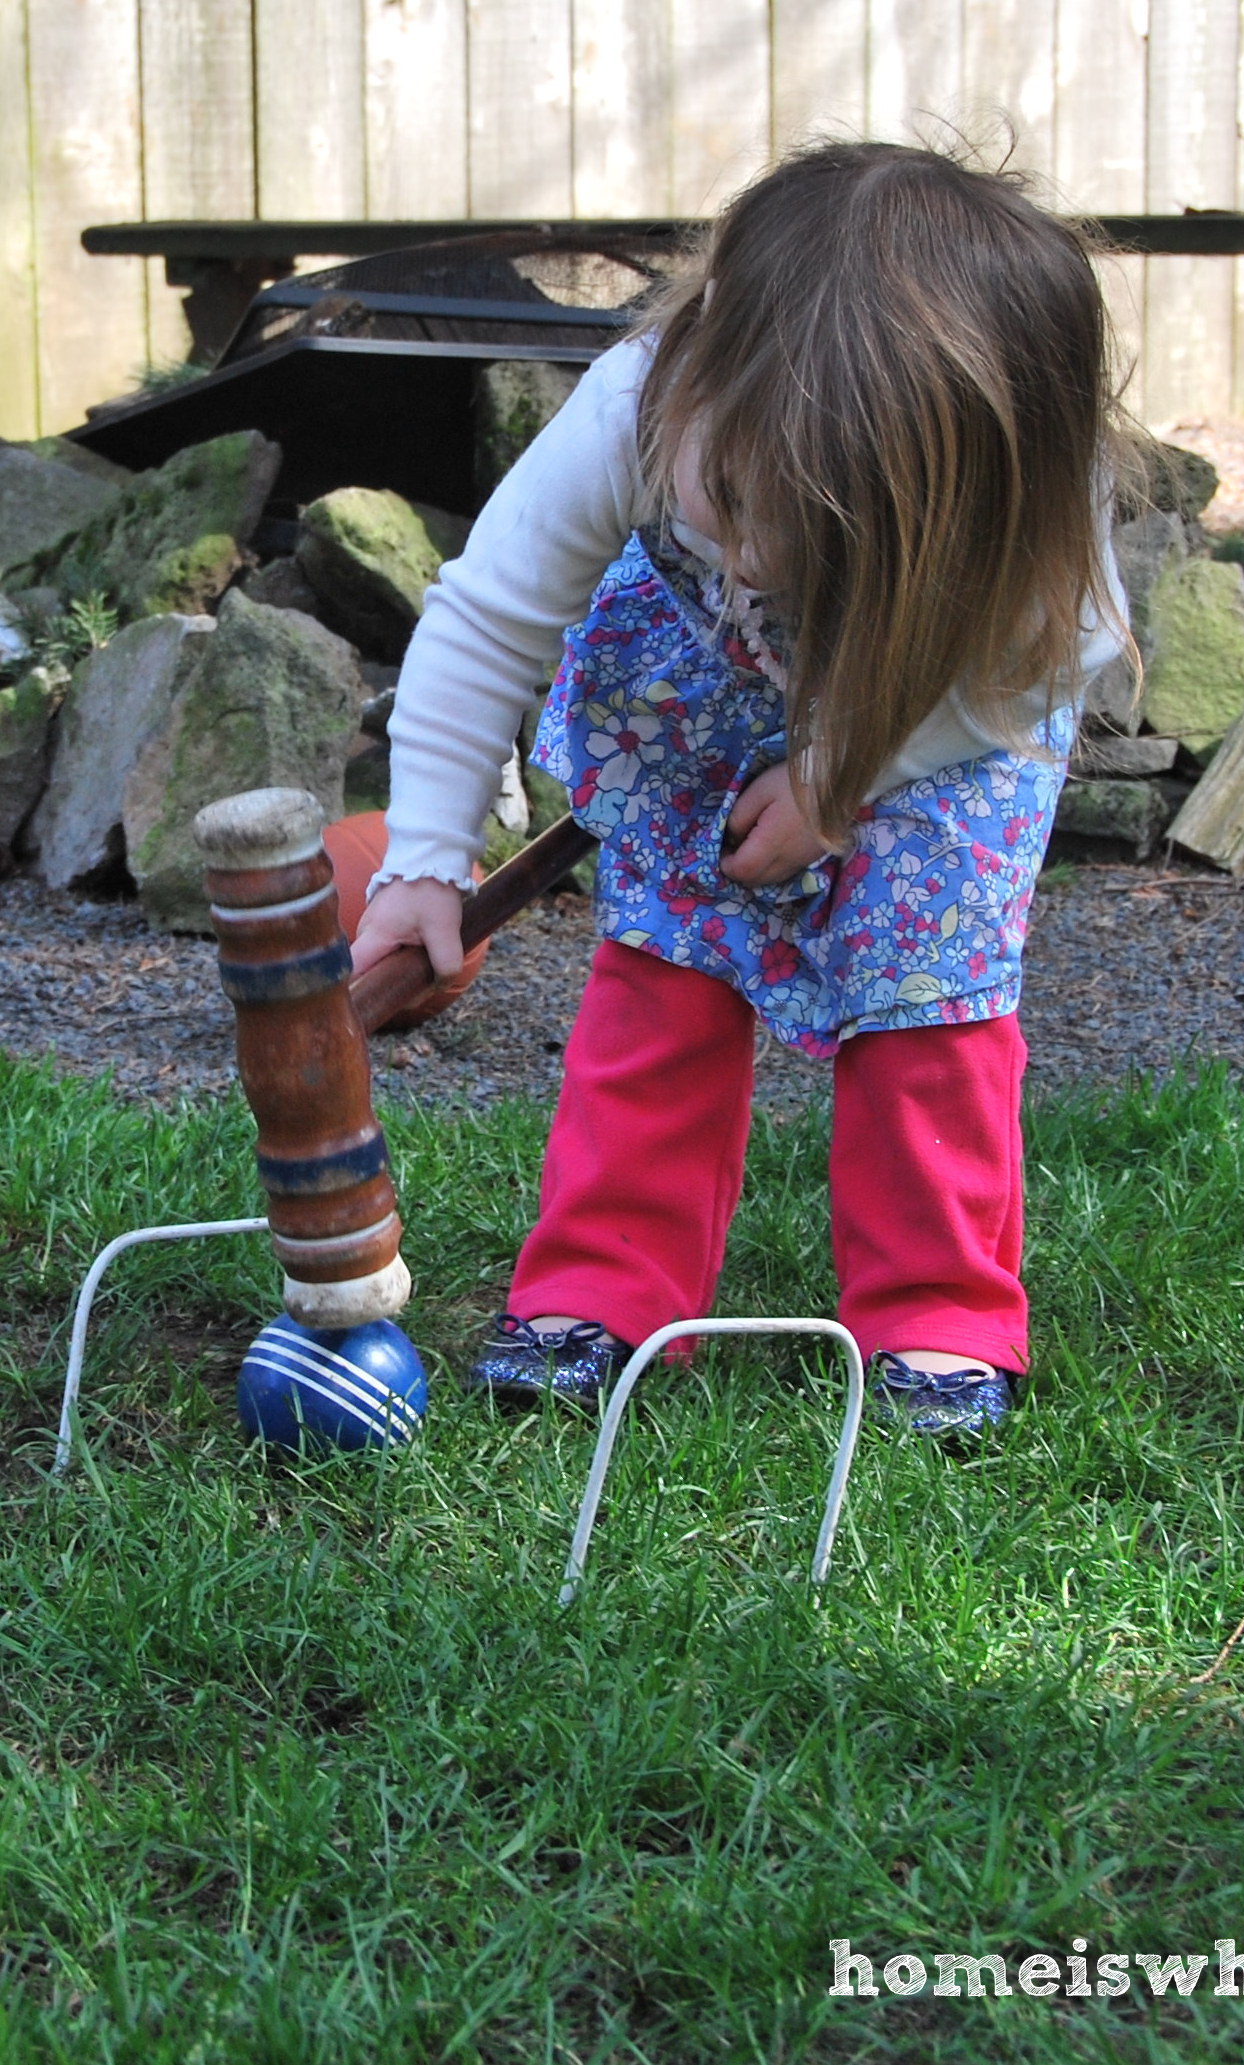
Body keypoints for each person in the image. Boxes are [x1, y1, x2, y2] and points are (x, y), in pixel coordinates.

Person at [350, 141, 1134, 1437]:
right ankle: (603, 1288)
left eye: (818, 530)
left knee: (925, 997)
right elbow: (488, 620)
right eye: (728, 496)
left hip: (946, 710)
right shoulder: (634, 403)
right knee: (666, 969)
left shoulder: (1030, 488)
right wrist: (426, 855)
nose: (757, 555)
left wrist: (842, 777)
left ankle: (938, 1311)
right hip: (704, 695)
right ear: (704, 353)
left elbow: (1056, 653)